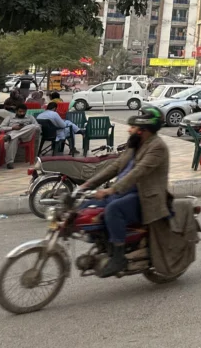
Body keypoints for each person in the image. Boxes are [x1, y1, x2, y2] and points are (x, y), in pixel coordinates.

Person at [81, 108, 170, 278]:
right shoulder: (135, 143)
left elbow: (137, 172)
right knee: (87, 207)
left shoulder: (157, 147)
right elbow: (115, 166)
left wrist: (111, 189)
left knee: (113, 209)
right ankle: (102, 243)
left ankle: (118, 257)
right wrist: (88, 184)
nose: (129, 130)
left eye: (133, 127)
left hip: (144, 197)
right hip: (124, 192)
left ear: (144, 130)